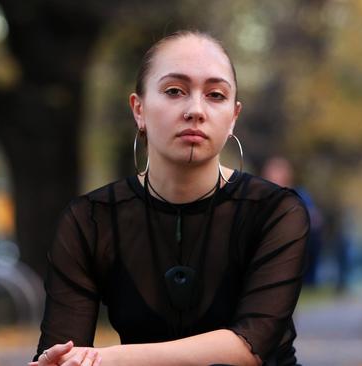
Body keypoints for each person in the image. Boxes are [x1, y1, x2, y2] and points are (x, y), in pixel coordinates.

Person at [30, 30, 310, 366]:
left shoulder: (275, 212)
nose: (195, 110)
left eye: (215, 95)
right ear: (139, 109)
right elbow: (63, 351)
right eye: (174, 91)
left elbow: (250, 346)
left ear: (234, 117)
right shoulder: (89, 221)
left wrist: (108, 360)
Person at [261, 157, 324, 287]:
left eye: (275, 174)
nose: (271, 178)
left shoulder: (297, 194)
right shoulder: (261, 195)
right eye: (269, 174)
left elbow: (315, 218)